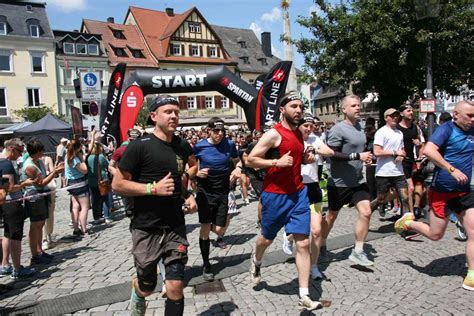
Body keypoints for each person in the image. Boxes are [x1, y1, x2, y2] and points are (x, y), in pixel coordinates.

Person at [112, 95, 197, 315]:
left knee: (176, 286)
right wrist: (152, 189)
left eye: (176, 112)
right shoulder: (139, 147)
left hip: (174, 226)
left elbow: (182, 175)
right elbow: (117, 184)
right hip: (146, 226)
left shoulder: (181, 145)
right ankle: (138, 290)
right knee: (147, 287)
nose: (174, 116)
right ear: (153, 116)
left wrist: (188, 195)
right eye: (168, 112)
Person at [247, 92, 323, 311]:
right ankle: (257, 260)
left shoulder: (300, 133)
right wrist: (276, 162)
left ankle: (304, 294)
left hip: (298, 193)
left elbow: (300, 159)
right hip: (275, 195)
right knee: (266, 239)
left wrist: (307, 158)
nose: (298, 110)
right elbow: (251, 159)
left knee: (303, 242)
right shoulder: (273, 134)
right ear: (282, 109)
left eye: (300, 106)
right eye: (293, 106)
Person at [395, 100, 474, 291]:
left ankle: (471, 274)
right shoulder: (446, 129)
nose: (473, 119)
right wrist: (451, 169)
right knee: (435, 234)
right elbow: (428, 150)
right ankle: (407, 223)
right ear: (456, 115)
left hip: (464, 192)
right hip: (441, 192)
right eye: (469, 115)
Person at [321, 95, 374, 266]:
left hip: (358, 181)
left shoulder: (360, 127)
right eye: (353, 106)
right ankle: (321, 244)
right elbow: (332, 155)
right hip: (339, 182)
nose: (358, 108)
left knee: (366, 211)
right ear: (344, 109)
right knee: (331, 217)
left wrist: (365, 158)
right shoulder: (338, 130)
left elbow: (360, 148)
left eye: (359, 105)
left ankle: (358, 251)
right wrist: (357, 156)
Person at [283, 113, 334, 281]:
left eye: (311, 126)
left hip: (313, 188)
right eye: (306, 125)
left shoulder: (314, 139)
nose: (309, 128)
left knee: (317, 230)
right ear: (298, 125)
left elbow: (329, 151)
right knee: (299, 228)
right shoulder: (292, 139)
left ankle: (313, 266)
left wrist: (314, 149)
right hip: (296, 188)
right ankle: (289, 236)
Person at [193, 117, 239, 281]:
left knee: (219, 230)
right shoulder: (199, 146)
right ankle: (206, 265)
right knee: (205, 228)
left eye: (222, 131)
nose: (220, 134)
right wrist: (196, 174)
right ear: (208, 131)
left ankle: (209, 225)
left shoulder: (229, 144)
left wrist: (237, 170)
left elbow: (238, 160)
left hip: (222, 191)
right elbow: (190, 165)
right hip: (205, 192)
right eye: (216, 131)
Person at [21, 140, 64, 265]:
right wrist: (55, 172)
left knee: (40, 225)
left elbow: (45, 178)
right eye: (42, 150)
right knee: (36, 226)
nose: (44, 152)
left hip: (42, 195)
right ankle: (35, 254)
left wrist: (54, 171)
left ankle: (40, 251)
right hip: (34, 197)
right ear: (37, 151)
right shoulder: (30, 166)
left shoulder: (38, 161)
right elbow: (42, 182)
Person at [0, 139, 36, 279]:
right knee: (15, 236)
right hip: (11, 204)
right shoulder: (7, 164)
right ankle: (17, 268)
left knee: (7, 234)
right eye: (20, 152)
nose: (20, 156)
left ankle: (5, 265)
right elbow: (9, 187)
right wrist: (24, 184)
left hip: (5, 203)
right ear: (12, 149)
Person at [397, 104, 425, 218]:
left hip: (413, 161)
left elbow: (422, 143)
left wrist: (419, 152)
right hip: (401, 161)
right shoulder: (397, 129)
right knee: (410, 187)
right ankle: (410, 214)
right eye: (408, 110)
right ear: (401, 113)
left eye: (412, 110)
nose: (411, 112)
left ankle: (409, 211)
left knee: (413, 186)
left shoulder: (415, 127)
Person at [65, 139, 90, 236]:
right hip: (79, 182)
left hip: (71, 183)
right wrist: (82, 159)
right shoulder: (75, 158)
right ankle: (83, 228)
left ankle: (76, 228)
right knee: (84, 206)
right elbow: (84, 170)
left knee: (75, 206)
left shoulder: (67, 156)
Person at [87, 142, 112, 224]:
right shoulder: (101, 157)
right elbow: (108, 166)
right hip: (102, 180)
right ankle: (107, 217)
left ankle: (96, 217)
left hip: (91, 181)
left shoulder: (88, 157)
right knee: (105, 198)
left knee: (95, 199)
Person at [40, 154, 57, 250]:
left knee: (49, 213)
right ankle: (44, 238)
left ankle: (47, 235)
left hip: (48, 187)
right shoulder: (30, 161)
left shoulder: (47, 158)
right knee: (45, 214)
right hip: (41, 189)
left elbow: (52, 172)